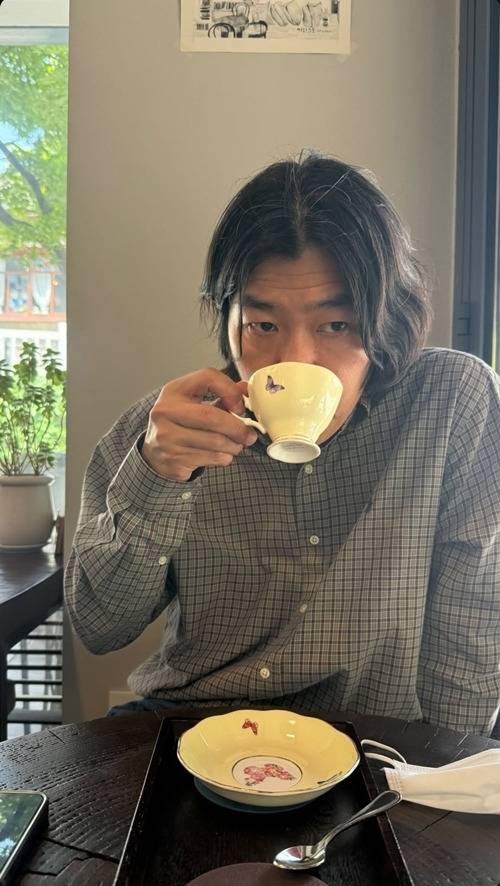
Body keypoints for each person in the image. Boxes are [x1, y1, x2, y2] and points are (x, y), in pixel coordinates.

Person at [65, 151, 500, 736]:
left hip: (372, 740)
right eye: (263, 325)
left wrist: (439, 770)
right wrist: (155, 477)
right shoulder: (168, 431)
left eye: (337, 325)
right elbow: (99, 628)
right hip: (195, 726)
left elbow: (474, 629)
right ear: (226, 319)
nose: (296, 358)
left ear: (388, 319)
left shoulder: (450, 401)